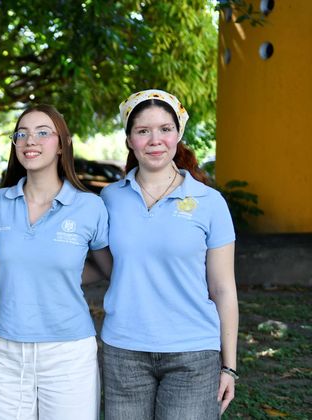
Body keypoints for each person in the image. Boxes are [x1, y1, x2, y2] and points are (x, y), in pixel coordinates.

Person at [100, 89, 239, 419]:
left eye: (165, 129)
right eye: (143, 131)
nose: (155, 140)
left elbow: (223, 289)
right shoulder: (108, 199)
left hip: (193, 352)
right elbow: (106, 266)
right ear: (129, 140)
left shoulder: (210, 202)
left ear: (178, 135)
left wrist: (229, 366)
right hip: (123, 350)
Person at [0, 105, 110, 419]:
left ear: (62, 144)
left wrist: (62, 275)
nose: (30, 140)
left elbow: (107, 269)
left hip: (68, 351)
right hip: (5, 349)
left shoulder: (89, 206)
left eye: (43, 132)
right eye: (22, 134)